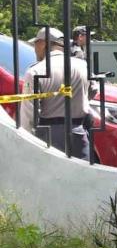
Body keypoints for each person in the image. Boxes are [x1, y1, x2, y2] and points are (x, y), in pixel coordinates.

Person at [20, 27, 93, 159]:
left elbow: (29, 114)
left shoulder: (36, 71)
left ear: (43, 43)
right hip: (78, 132)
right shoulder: (82, 65)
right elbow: (94, 89)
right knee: (81, 175)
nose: (34, 48)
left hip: (48, 135)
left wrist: (26, 143)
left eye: (35, 44)